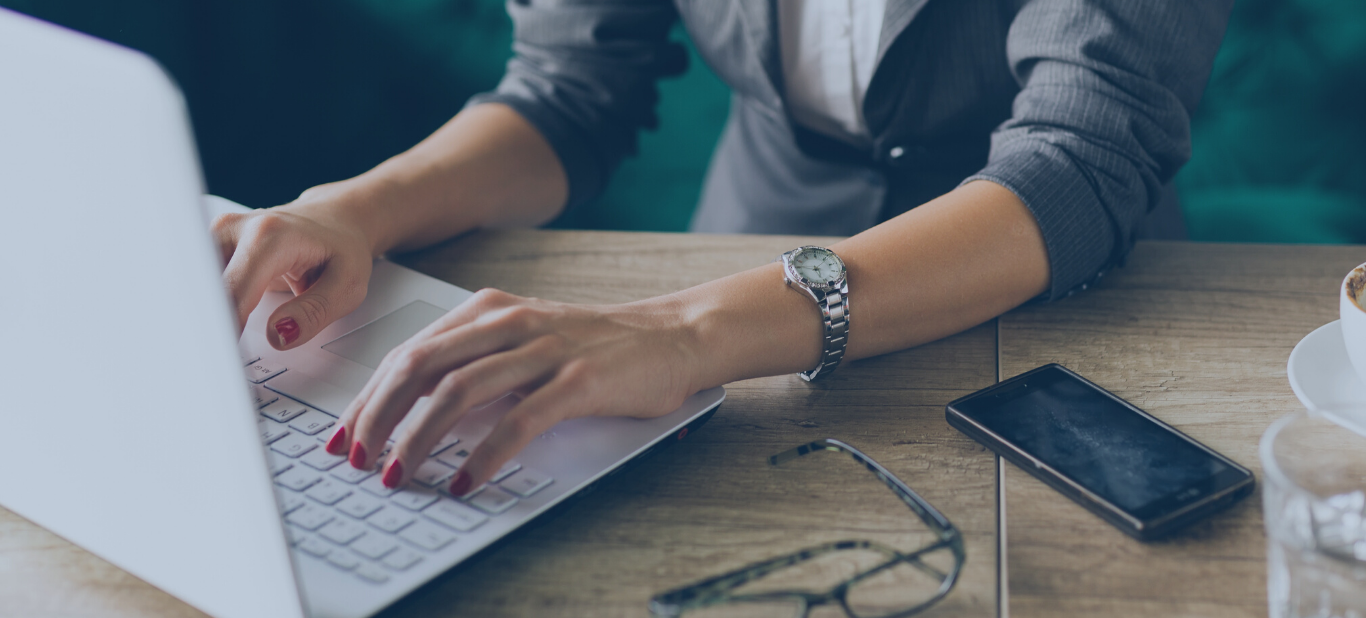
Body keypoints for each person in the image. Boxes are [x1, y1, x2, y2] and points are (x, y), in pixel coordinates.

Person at [212, 0, 1233, 498]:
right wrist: (353, 209)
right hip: (750, 278)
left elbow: (1082, 156)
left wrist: (684, 329)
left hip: (1062, 308)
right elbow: (571, 88)